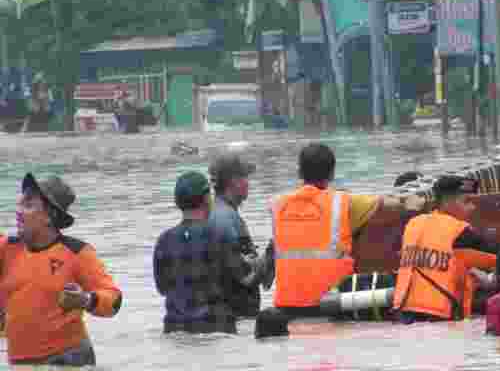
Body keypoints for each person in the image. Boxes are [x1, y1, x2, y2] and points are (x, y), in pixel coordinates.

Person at [270, 143, 426, 317]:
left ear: (299, 172)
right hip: (333, 306)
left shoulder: (278, 206)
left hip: (285, 309)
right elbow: (395, 205)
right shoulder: (344, 203)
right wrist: (416, 202)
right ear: (332, 173)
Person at [0, 174, 122, 366]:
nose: (18, 211)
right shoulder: (6, 248)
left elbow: (113, 300)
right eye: (19, 203)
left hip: (68, 361)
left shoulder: (77, 253)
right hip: (20, 365)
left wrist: (85, 300)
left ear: (50, 216)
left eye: (28, 205)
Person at [392, 174, 498, 323]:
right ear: (448, 204)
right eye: (467, 202)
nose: (472, 207)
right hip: (438, 317)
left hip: (402, 313)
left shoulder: (413, 223)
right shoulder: (460, 231)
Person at [153, 171, 242, 334]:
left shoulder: (163, 241)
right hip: (217, 327)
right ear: (205, 198)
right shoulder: (221, 235)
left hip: (175, 329)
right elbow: (239, 281)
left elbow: (162, 288)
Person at [208, 149, 273, 319]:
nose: (248, 183)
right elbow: (248, 277)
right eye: (245, 177)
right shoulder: (229, 219)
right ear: (233, 181)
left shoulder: (214, 213)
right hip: (238, 316)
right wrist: (274, 251)